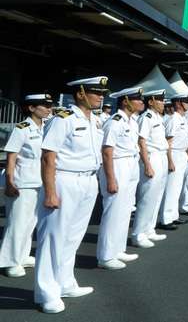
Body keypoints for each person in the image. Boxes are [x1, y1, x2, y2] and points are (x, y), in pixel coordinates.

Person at [35, 76, 109, 314]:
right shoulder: (62, 119)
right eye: (96, 92)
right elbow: (48, 157)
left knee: (73, 237)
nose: (102, 97)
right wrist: (50, 192)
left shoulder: (95, 120)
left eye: (103, 93)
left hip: (87, 181)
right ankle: (47, 292)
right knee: (53, 238)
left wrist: (93, 182)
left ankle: (65, 282)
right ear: (80, 94)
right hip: (64, 180)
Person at [1, 94, 53, 278]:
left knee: (31, 221)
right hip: (22, 181)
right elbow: (11, 158)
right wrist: (9, 182)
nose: (49, 108)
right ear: (31, 108)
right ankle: (10, 261)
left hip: (40, 179)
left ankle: (22, 255)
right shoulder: (20, 129)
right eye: (44, 105)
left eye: (50, 105)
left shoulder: (48, 127)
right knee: (17, 222)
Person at [96, 87, 143, 270]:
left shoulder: (133, 121)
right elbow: (107, 152)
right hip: (118, 165)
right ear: (125, 101)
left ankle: (117, 249)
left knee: (124, 209)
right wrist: (110, 179)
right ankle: (105, 256)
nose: (141, 102)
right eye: (137, 99)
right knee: (113, 210)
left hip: (131, 164)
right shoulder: (114, 122)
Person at [131, 90, 171, 248]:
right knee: (147, 197)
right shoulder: (145, 118)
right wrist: (147, 165)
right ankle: (138, 235)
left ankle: (149, 230)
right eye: (160, 101)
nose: (163, 103)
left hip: (161, 156)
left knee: (157, 195)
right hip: (152, 157)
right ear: (151, 102)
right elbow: (142, 142)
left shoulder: (157, 118)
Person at [159, 93, 188, 231]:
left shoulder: (182, 119)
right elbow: (168, 141)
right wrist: (170, 160)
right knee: (171, 188)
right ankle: (165, 219)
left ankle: (173, 215)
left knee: (177, 187)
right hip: (174, 154)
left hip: (181, 153)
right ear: (178, 104)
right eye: (186, 102)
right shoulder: (173, 120)